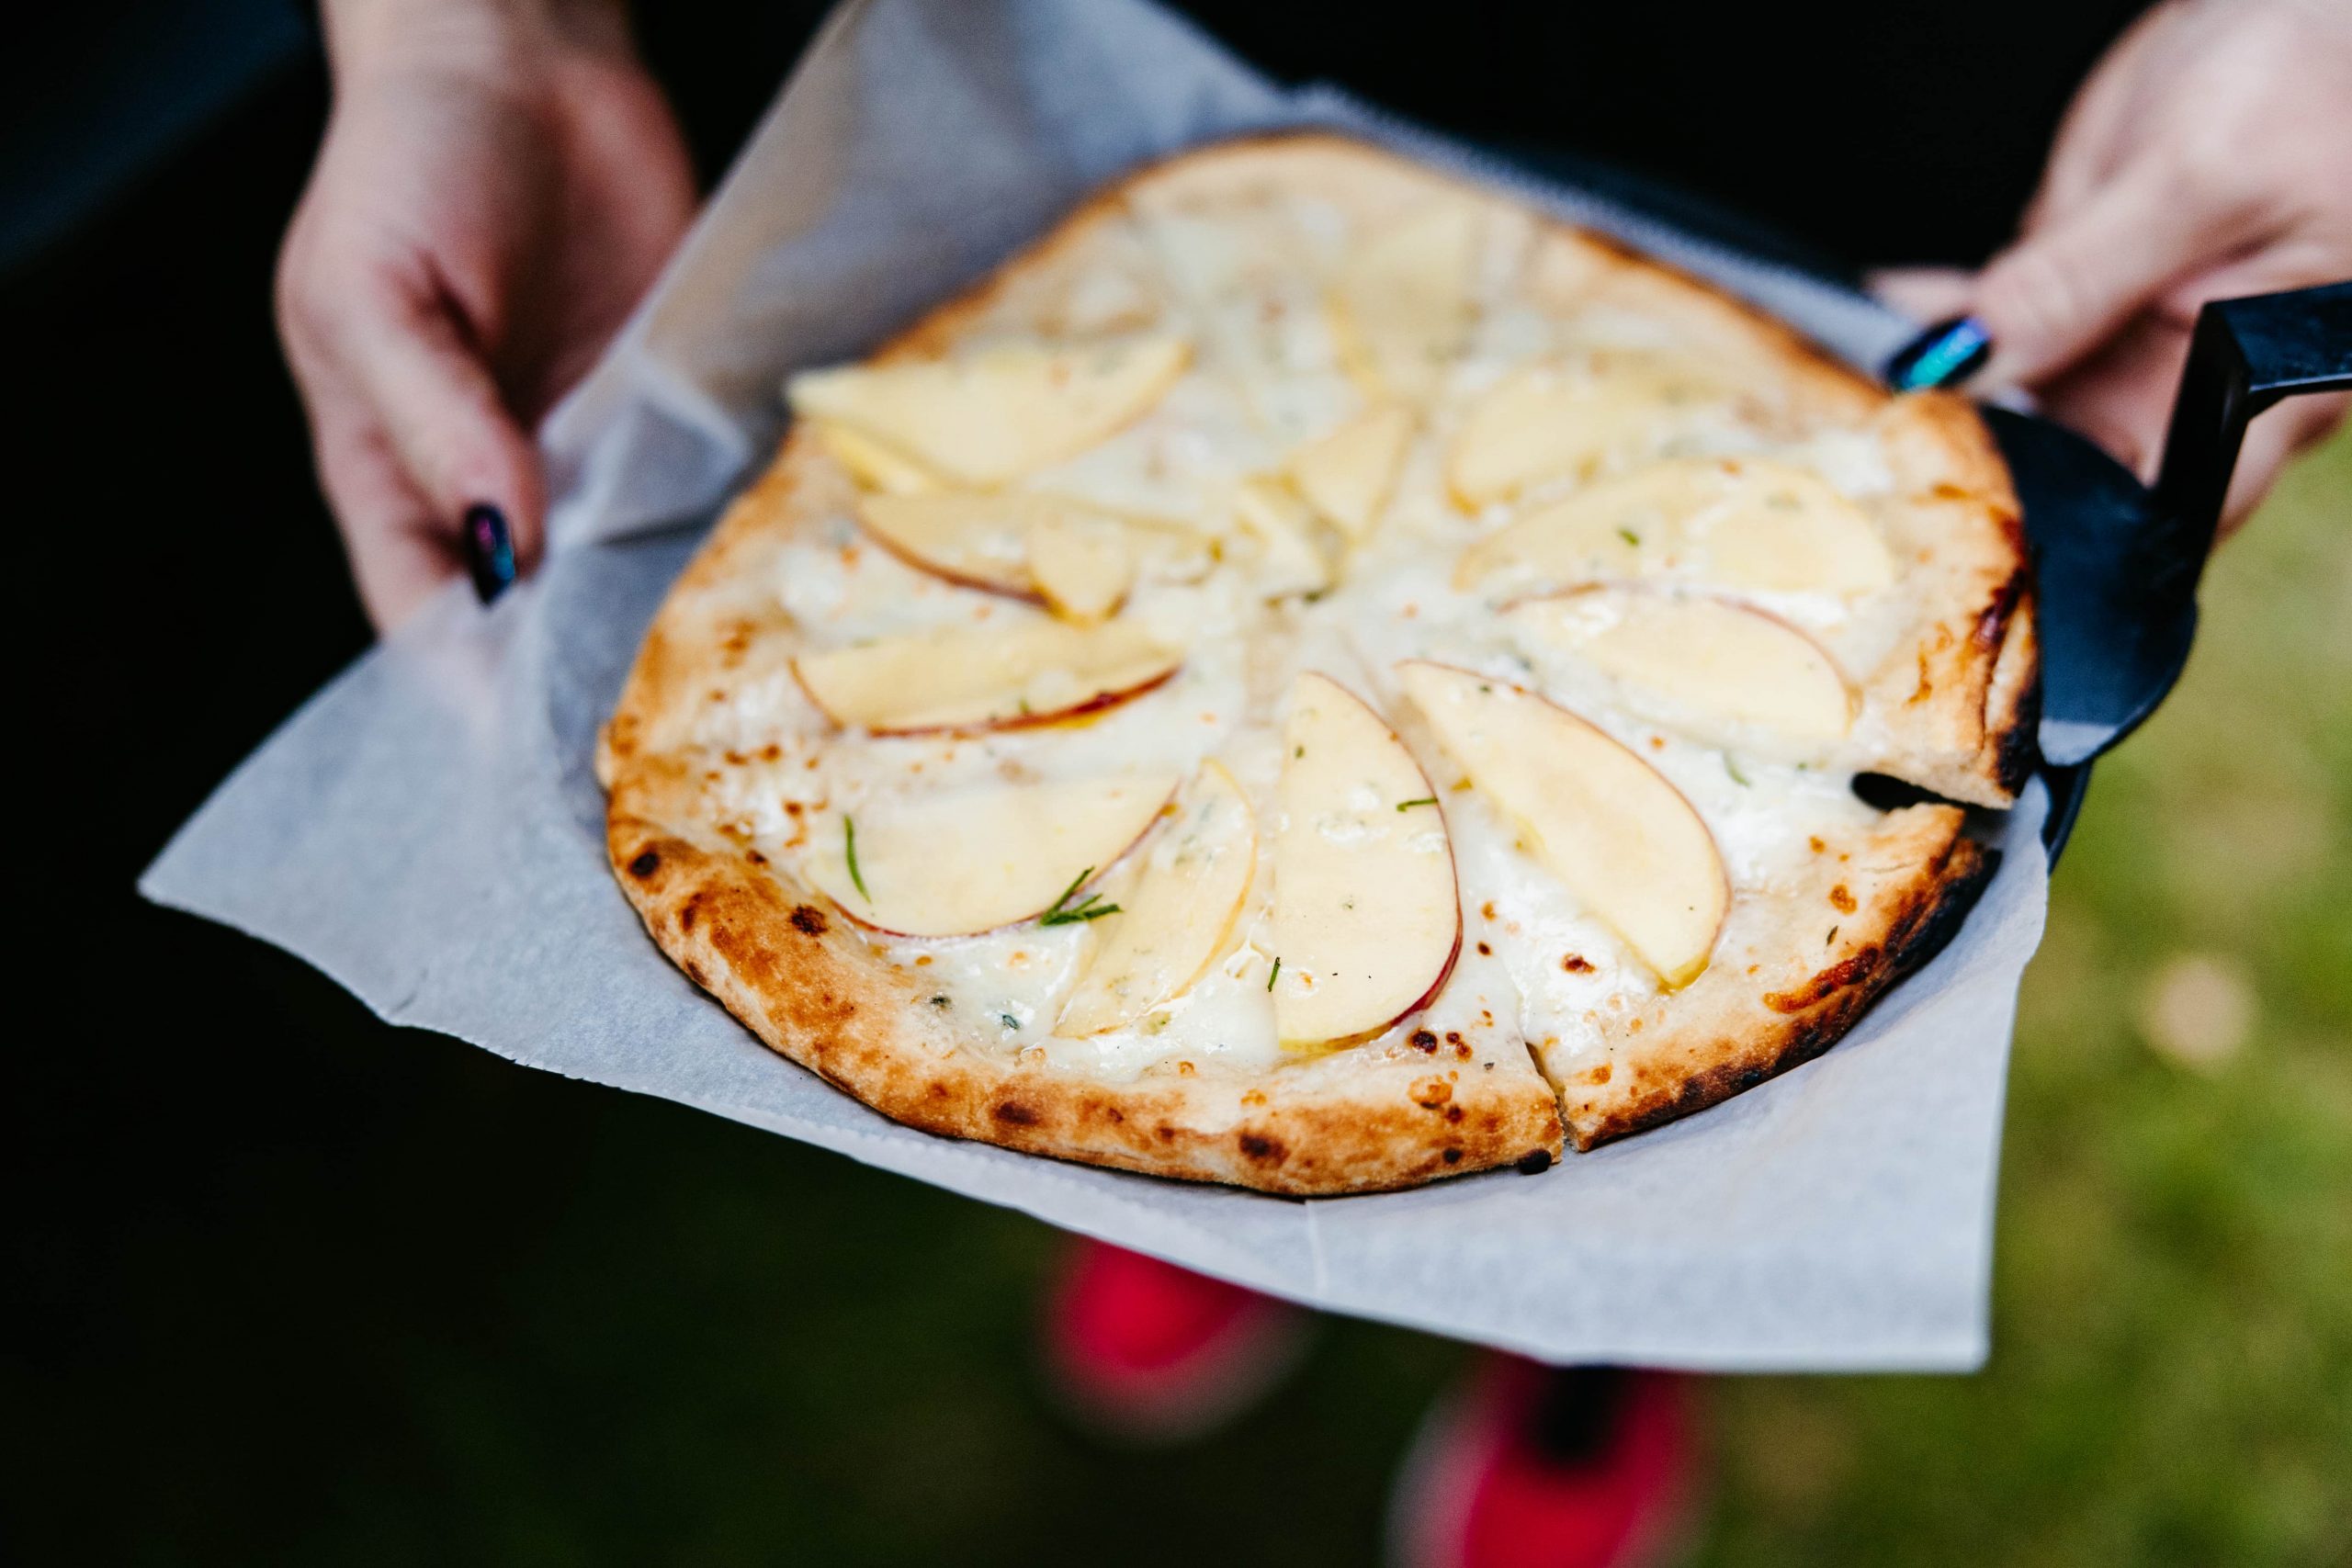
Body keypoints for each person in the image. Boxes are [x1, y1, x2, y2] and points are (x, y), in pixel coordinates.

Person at [276, 2, 2352, 1563]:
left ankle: (1581, 1349)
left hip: (1930, 113)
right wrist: (476, 30)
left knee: (1711, 1015)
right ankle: (1211, 1118)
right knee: (1199, 932)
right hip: (1231, 85)